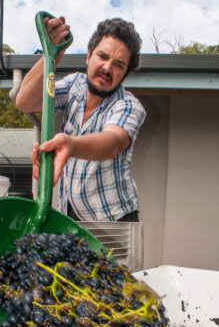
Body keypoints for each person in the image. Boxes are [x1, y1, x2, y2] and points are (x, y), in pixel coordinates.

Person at [16, 16, 146, 222]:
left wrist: (71, 144)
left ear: (125, 74)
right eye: (102, 56)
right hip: (72, 217)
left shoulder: (129, 106)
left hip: (114, 220)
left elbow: (113, 142)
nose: (107, 68)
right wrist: (52, 56)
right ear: (88, 56)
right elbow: (26, 101)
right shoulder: (74, 84)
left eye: (118, 65)